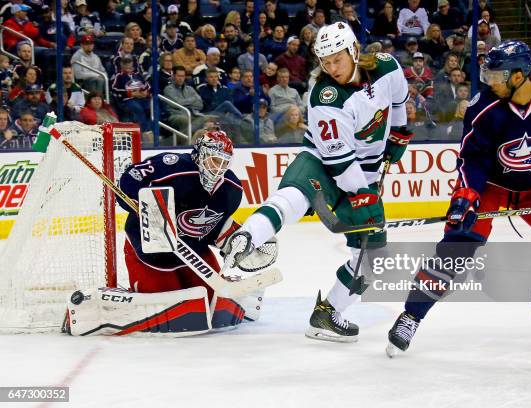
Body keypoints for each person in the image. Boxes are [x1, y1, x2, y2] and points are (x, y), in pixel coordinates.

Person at [386, 40, 531, 356]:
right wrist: (466, 195)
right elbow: (471, 158)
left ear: (518, 76)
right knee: (456, 249)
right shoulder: (483, 106)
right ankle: (411, 316)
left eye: (496, 75)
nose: (489, 82)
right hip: (490, 186)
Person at [222, 22, 412, 343]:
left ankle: (328, 313)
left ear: (353, 50)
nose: (331, 67)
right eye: (325, 61)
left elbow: (396, 102)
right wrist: (362, 194)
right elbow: (339, 162)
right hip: (324, 162)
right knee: (294, 196)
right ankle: (247, 237)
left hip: (364, 171)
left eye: (337, 59)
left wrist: (399, 134)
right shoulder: (326, 96)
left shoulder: (387, 67)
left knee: (372, 260)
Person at [70, 130, 274, 334]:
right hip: (151, 252)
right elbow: (130, 178)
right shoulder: (172, 167)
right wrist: (132, 199)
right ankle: (108, 310)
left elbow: (212, 228)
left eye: (224, 162)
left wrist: (231, 241)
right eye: (214, 160)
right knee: (172, 302)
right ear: (200, 155)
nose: (218, 168)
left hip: (194, 254)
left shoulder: (231, 189)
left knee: (212, 301)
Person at [163, 65, 205, 142]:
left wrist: (185, 101)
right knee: (184, 119)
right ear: (173, 76)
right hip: (176, 115)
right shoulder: (168, 89)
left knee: (210, 118)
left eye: (182, 76)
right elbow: (176, 104)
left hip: (193, 114)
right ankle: (187, 144)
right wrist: (193, 100)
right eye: (178, 76)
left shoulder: (190, 88)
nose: (181, 78)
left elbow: (200, 104)